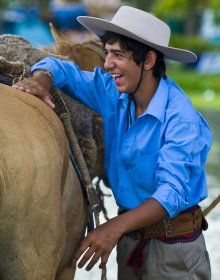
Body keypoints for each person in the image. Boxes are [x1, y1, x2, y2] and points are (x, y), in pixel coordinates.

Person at [13, 5, 212, 279]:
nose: (107, 64)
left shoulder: (181, 120)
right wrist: (40, 81)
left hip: (173, 251)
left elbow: (171, 194)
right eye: (107, 53)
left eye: (118, 55)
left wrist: (113, 227)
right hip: (130, 242)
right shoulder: (113, 93)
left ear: (149, 60)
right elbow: (60, 68)